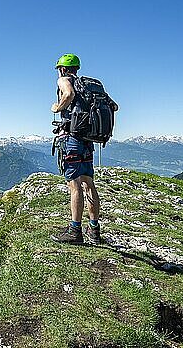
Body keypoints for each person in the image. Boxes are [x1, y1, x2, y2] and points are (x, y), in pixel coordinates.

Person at [50, 54, 118, 244]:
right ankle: (94, 231)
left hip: (72, 138)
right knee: (89, 183)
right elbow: (114, 106)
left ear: (62, 68)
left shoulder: (64, 80)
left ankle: (75, 231)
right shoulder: (90, 86)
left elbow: (69, 94)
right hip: (88, 139)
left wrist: (57, 107)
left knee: (74, 185)